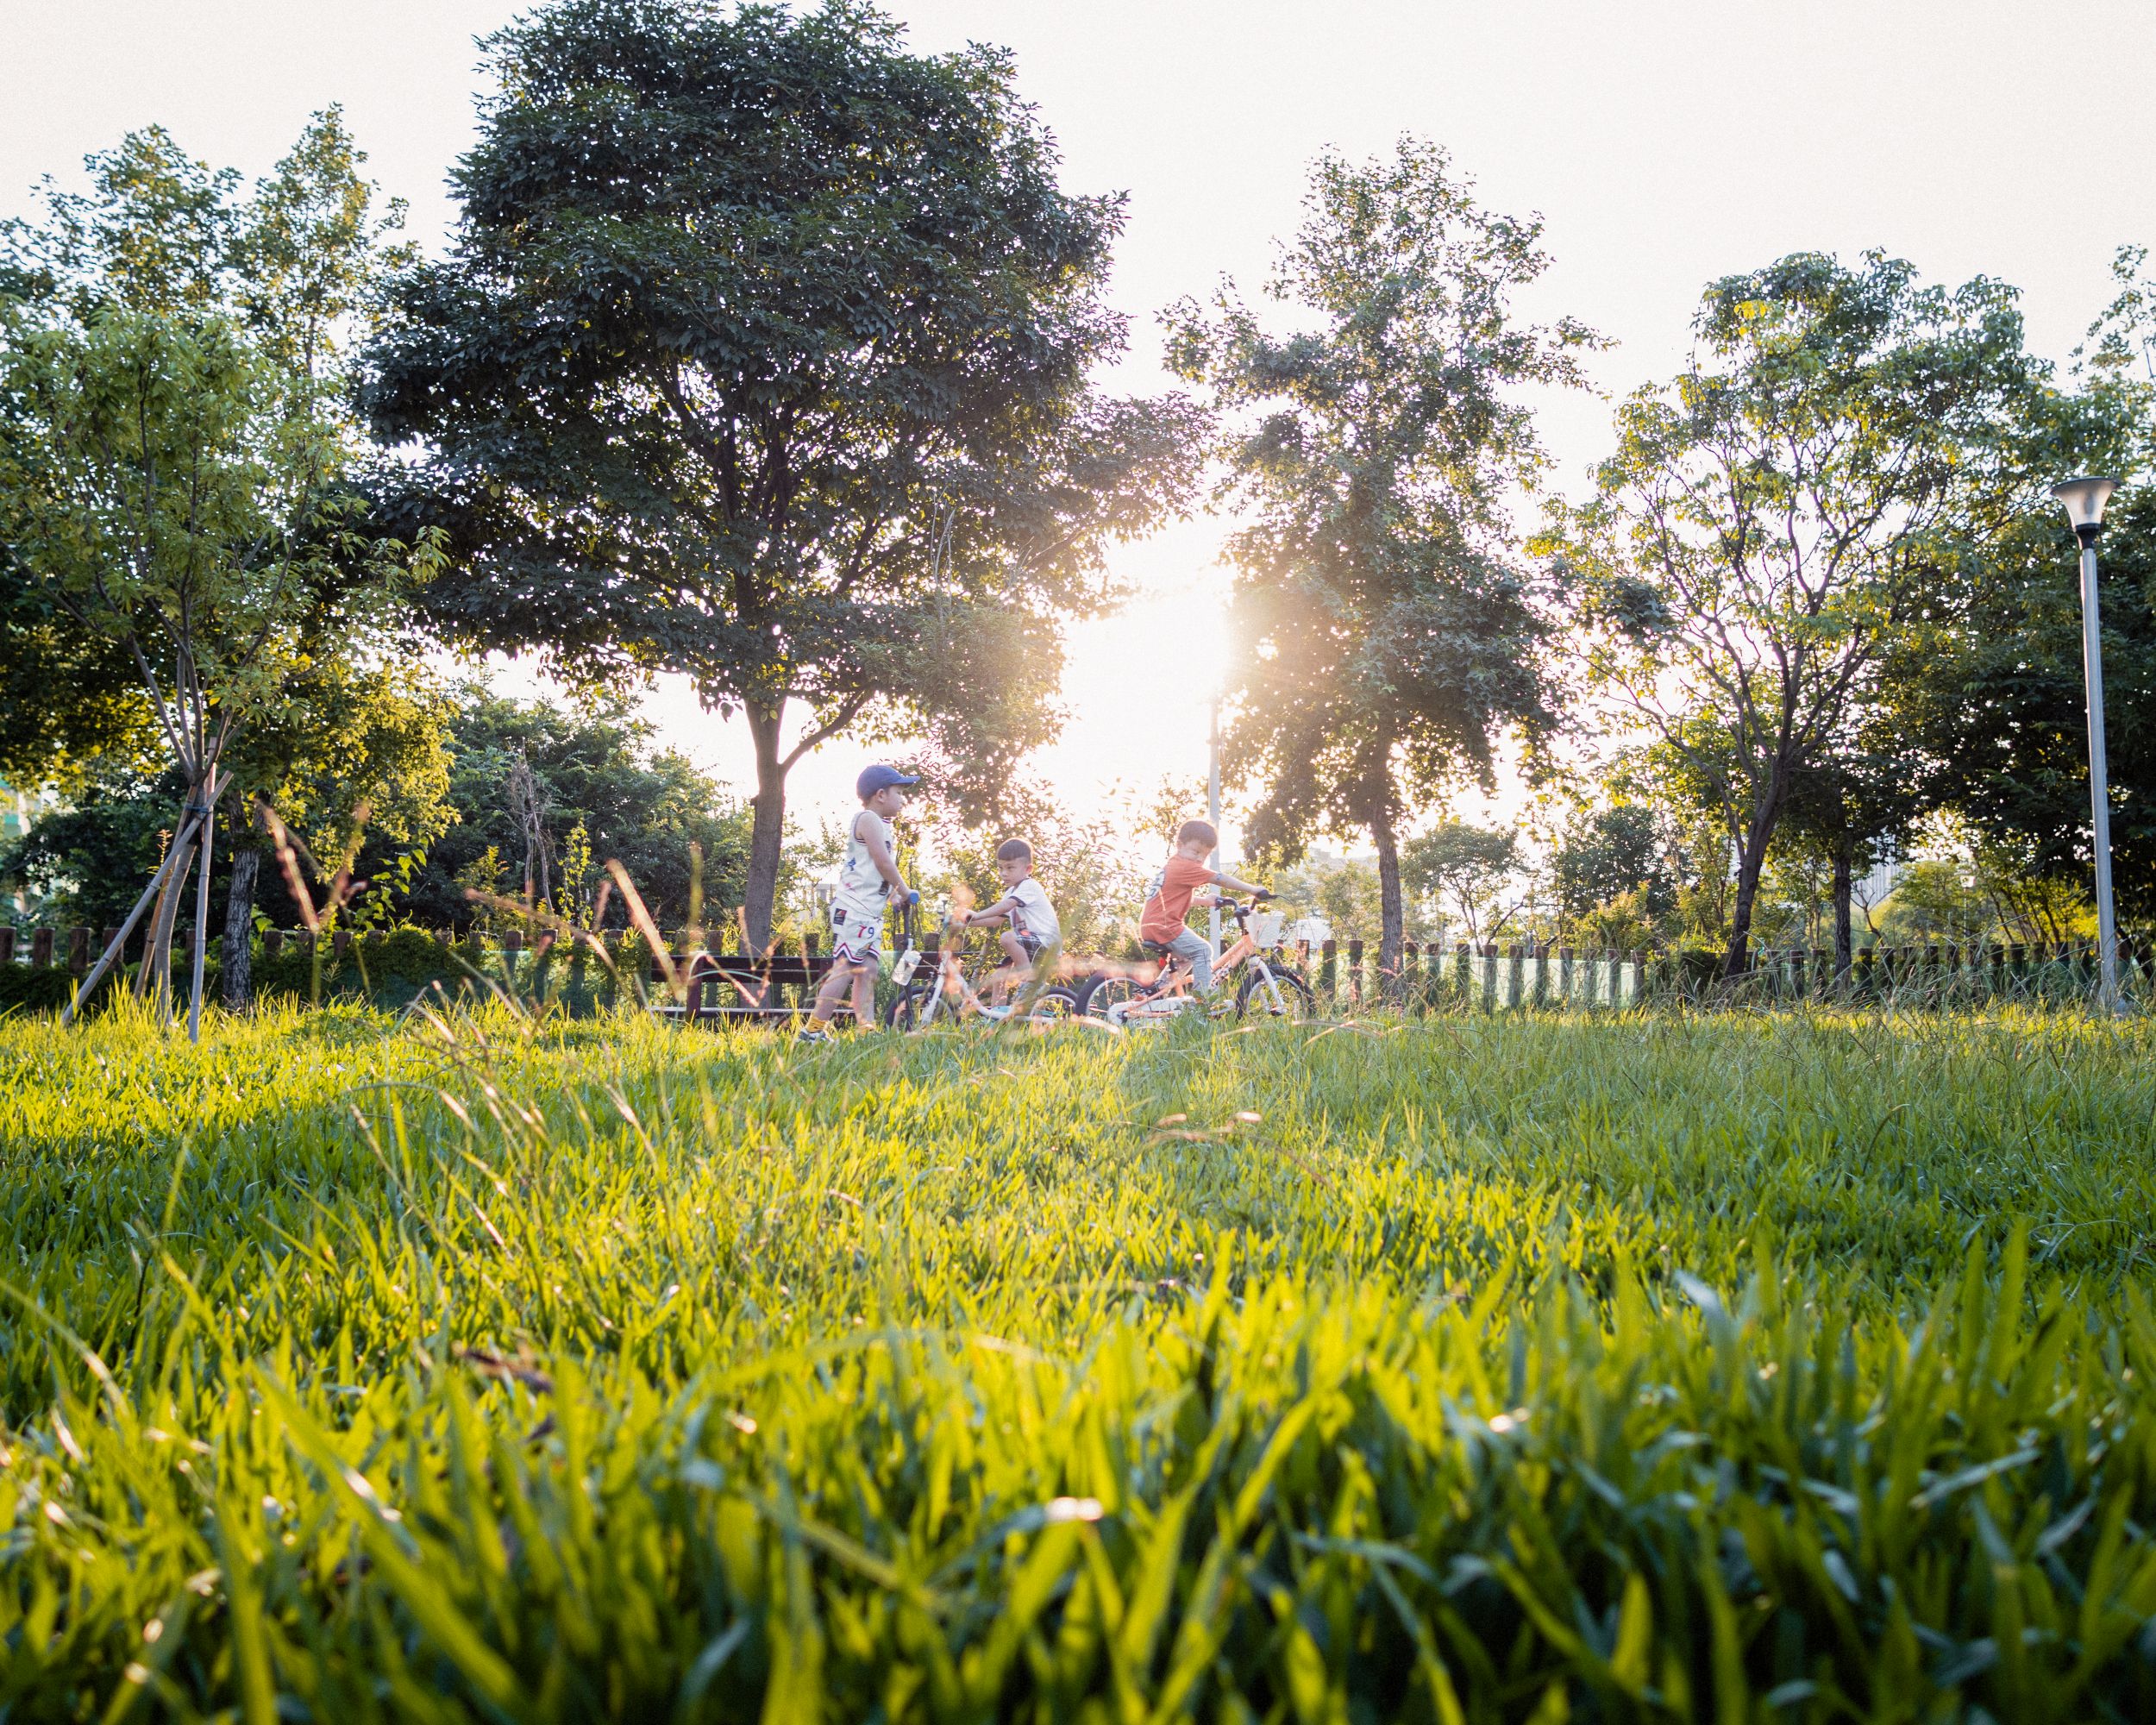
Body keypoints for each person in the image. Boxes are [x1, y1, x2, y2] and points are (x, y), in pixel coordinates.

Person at [801, 765, 917, 1042]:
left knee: (868, 970)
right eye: (899, 792)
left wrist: (893, 895)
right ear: (880, 795)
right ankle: (812, 1030)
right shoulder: (867, 819)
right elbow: (883, 862)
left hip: (868, 912)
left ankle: (866, 1030)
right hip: (855, 910)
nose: (903, 799)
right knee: (846, 968)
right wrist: (905, 890)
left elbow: (873, 872)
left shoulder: (881, 825)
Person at [1138, 820, 1268, 997]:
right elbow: (1220, 878)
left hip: (1151, 925)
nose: (1200, 859)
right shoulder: (1186, 866)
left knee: (1186, 958)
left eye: (1205, 855)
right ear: (1179, 845)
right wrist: (1253, 890)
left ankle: (1155, 993)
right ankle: (1202, 1002)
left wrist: (1206, 901)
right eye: (1196, 852)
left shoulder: (1173, 866)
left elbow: (1175, 898)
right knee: (1203, 950)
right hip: (1165, 925)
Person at [957, 838, 1062, 1006]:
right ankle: (996, 1016)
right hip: (1028, 944)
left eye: (1010, 868)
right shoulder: (1012, 892)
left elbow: (1007, 905)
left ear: (1028, 869)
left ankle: (1031, 983)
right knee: (999, 976)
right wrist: (966, 923)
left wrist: (976, 915)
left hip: (1045, 942)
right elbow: (995, 920)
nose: (1004, 873)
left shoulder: (1030, 886)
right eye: (1000, 868)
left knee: (1007, 937)